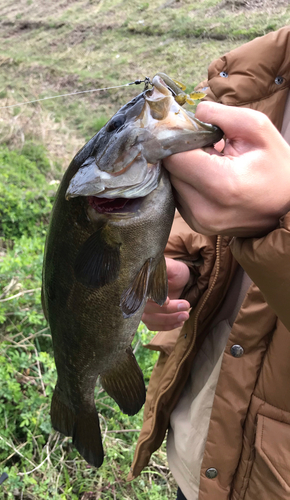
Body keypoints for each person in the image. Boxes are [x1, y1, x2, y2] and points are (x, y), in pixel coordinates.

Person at [127, 25, 290, 500]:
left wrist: (279, 217)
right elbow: (209, 232)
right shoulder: (259, 73)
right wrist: (183, 269)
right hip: (202, 450)